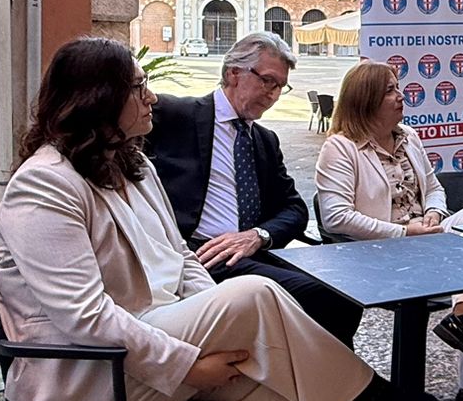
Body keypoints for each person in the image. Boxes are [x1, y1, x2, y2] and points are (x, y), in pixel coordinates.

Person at [0, 38, 432, 401]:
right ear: (97, 98)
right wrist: (187, 364)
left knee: (278, 386)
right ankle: (362, 396)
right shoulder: (44, 185)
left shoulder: (132, 165)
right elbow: (85, 318)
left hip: (159, 333)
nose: (152, 97)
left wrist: (208, 325)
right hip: (92, 377)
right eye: (138, 87)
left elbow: (180, 258)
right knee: (255, 294)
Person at [315, 60, 463, 401]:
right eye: (390, 90)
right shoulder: (340, 148)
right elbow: (336, 218)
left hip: (427, 236)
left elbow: (434, 188)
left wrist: (435, 214)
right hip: (382, 252)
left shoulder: (409, 136)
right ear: (365, 100)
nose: (401, 96)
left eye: (398, 87)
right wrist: (405, 233)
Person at [143, 32, 360, 347]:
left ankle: (314, 374)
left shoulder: (263, 140)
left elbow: (295, 209)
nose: (273, 95)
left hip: (250, 254)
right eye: (267, 81)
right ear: (234, 73)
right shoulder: (176, 115)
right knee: (325, 299)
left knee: (346, 294)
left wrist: (257, 235)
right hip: (198, 256)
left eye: (280, 87)